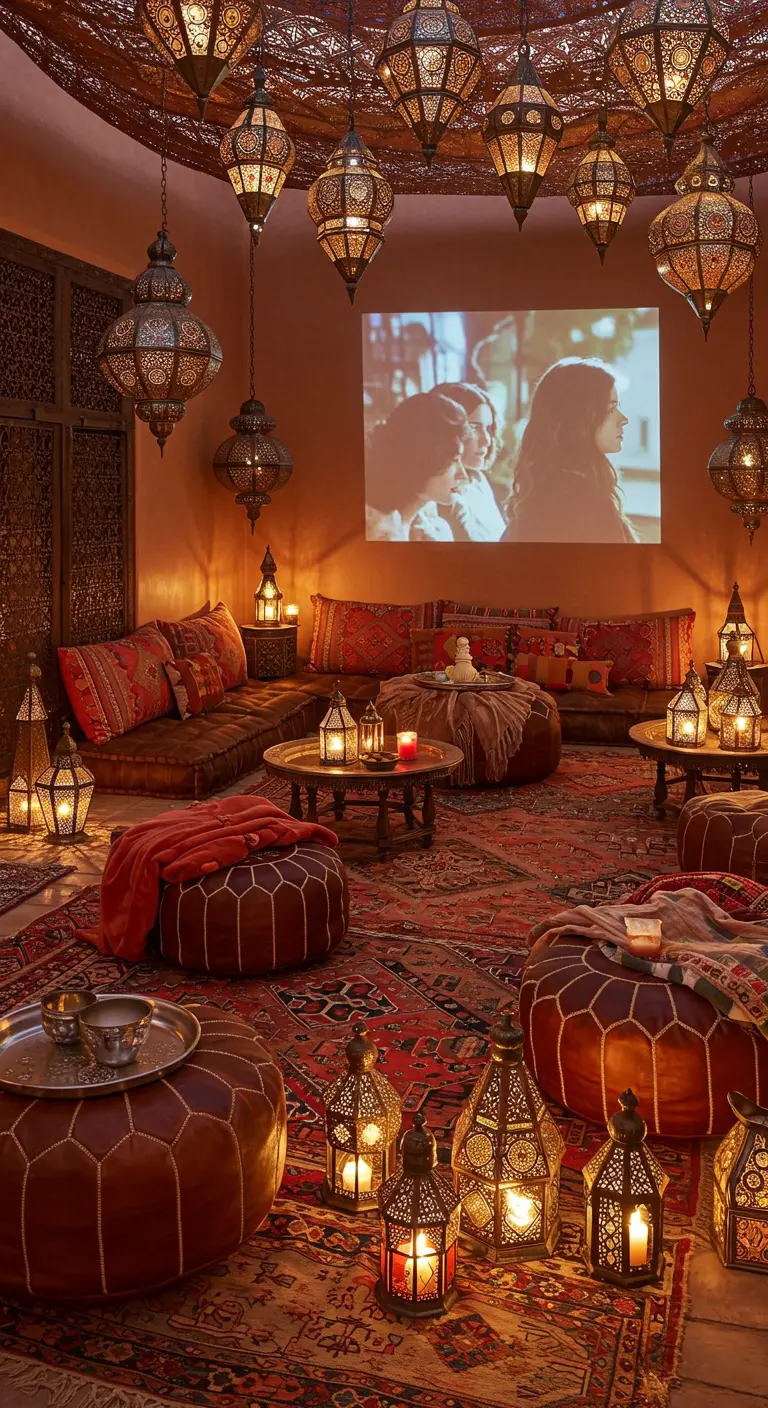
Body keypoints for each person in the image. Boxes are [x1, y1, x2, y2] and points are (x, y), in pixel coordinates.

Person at [503, 358, 637, 543]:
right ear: (578, 416)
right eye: (611, 408)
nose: (623, 419)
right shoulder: (578, 503)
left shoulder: (554, 491)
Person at [366, 393, 470, 541]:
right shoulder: (379, 534)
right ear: (421, 461)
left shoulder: (431, 525)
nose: (463, 475)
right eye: (453, 461)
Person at [414, 382, 507, 542]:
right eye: (474, 427)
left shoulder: (478, 481)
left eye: (489, 428)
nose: (487, 441)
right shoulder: (437, 495)